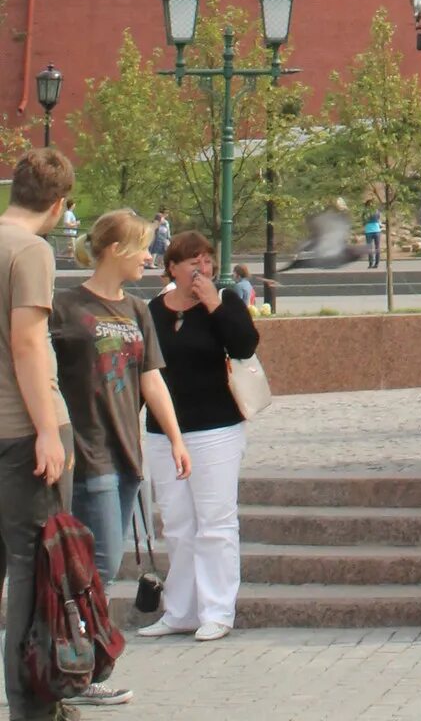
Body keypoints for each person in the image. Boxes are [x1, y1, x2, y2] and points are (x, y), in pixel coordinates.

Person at [52, 209, 191, 679]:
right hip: (87, 451)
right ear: (114, 250)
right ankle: (82, 664)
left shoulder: (136, 309)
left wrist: (175, 438)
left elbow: (151, 380)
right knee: (101, 564)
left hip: (127, 451)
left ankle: (82, 661)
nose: (151, 256)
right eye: (143, 247)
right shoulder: (65, 307)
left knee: (98, 567)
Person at [140, 230, 260, 643]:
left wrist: (213, 303)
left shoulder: (223, 303)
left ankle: (217, 610)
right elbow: (143, 373)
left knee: (215, 522)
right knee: (177, 523)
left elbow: (245, 345)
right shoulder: (152, 311)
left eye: (207, 260)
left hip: (216, 427)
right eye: (193, 261)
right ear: (172, 267)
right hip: (164, 431)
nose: (202, 268)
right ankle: (180, 610)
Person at [0, 148, 75, 721]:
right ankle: (32, 703)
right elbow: (27, 343)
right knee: (35, 565)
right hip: (23, 431)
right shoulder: (30, 250)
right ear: (57, 204)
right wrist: (47, 431)